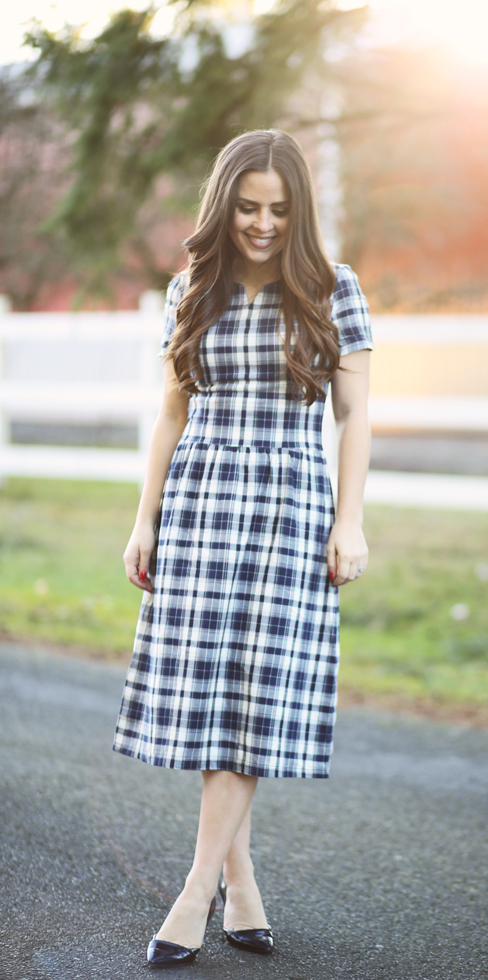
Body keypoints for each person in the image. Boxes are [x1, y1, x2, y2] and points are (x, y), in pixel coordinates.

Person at [113, 128, 373, 967]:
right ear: (225, 204)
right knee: (216, 697)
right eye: (249, 207)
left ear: (299, 213)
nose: (262, 224)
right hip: (200, 502)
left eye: (279, 210)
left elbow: (355, 416)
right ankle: (243, 884)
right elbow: (171, 413)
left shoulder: (335, 290)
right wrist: (144, 517)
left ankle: (192, 895)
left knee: (254, 698)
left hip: (292, 507)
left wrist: (351, 519)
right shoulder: (191, 287)